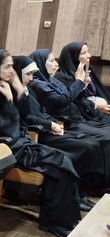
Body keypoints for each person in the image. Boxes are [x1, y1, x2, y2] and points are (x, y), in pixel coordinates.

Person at [0, 50, 81, 237]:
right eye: (7, 67)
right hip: (2, 149)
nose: (11, 71)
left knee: (65, 159)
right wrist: (10, 101)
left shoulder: (2, 86)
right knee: (60, 163)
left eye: (12, 66)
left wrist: (18, 89)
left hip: (16, 143)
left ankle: (63, 220)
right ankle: (56, 223)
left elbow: (25, 115)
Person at [13, 56, 102, 210]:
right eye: (28, 74)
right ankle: (75, 196)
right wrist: (50, 124)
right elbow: (27, 117)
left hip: (48, 128)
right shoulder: (16, 92)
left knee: (91, 143)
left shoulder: (28, 89)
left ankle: (80, 193)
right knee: (83, 148)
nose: (31, 78)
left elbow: (42, 111)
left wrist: (53, 123)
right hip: (38, 134)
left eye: (32, 74)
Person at [29, 48, 110, 188]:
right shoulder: (37, 83)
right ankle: (95, 184)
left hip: (70, 120)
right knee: (97, 141)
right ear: (40, 63)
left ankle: (100, 182)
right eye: (52, 61)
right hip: (61, 123)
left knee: (105, 133)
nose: (56, 64)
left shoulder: (51, 80)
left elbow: (69, 96)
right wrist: (78, 81)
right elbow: (62, 100)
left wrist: (82, 84)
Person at [55, 42, 110, 123]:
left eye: (88, 52)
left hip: (97, 112)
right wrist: (95, 106)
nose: (89, 55)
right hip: (84, 116)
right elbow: (74, 101)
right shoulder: (62, 78)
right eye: (84, 53)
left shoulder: (85, 70)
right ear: (73, 57)